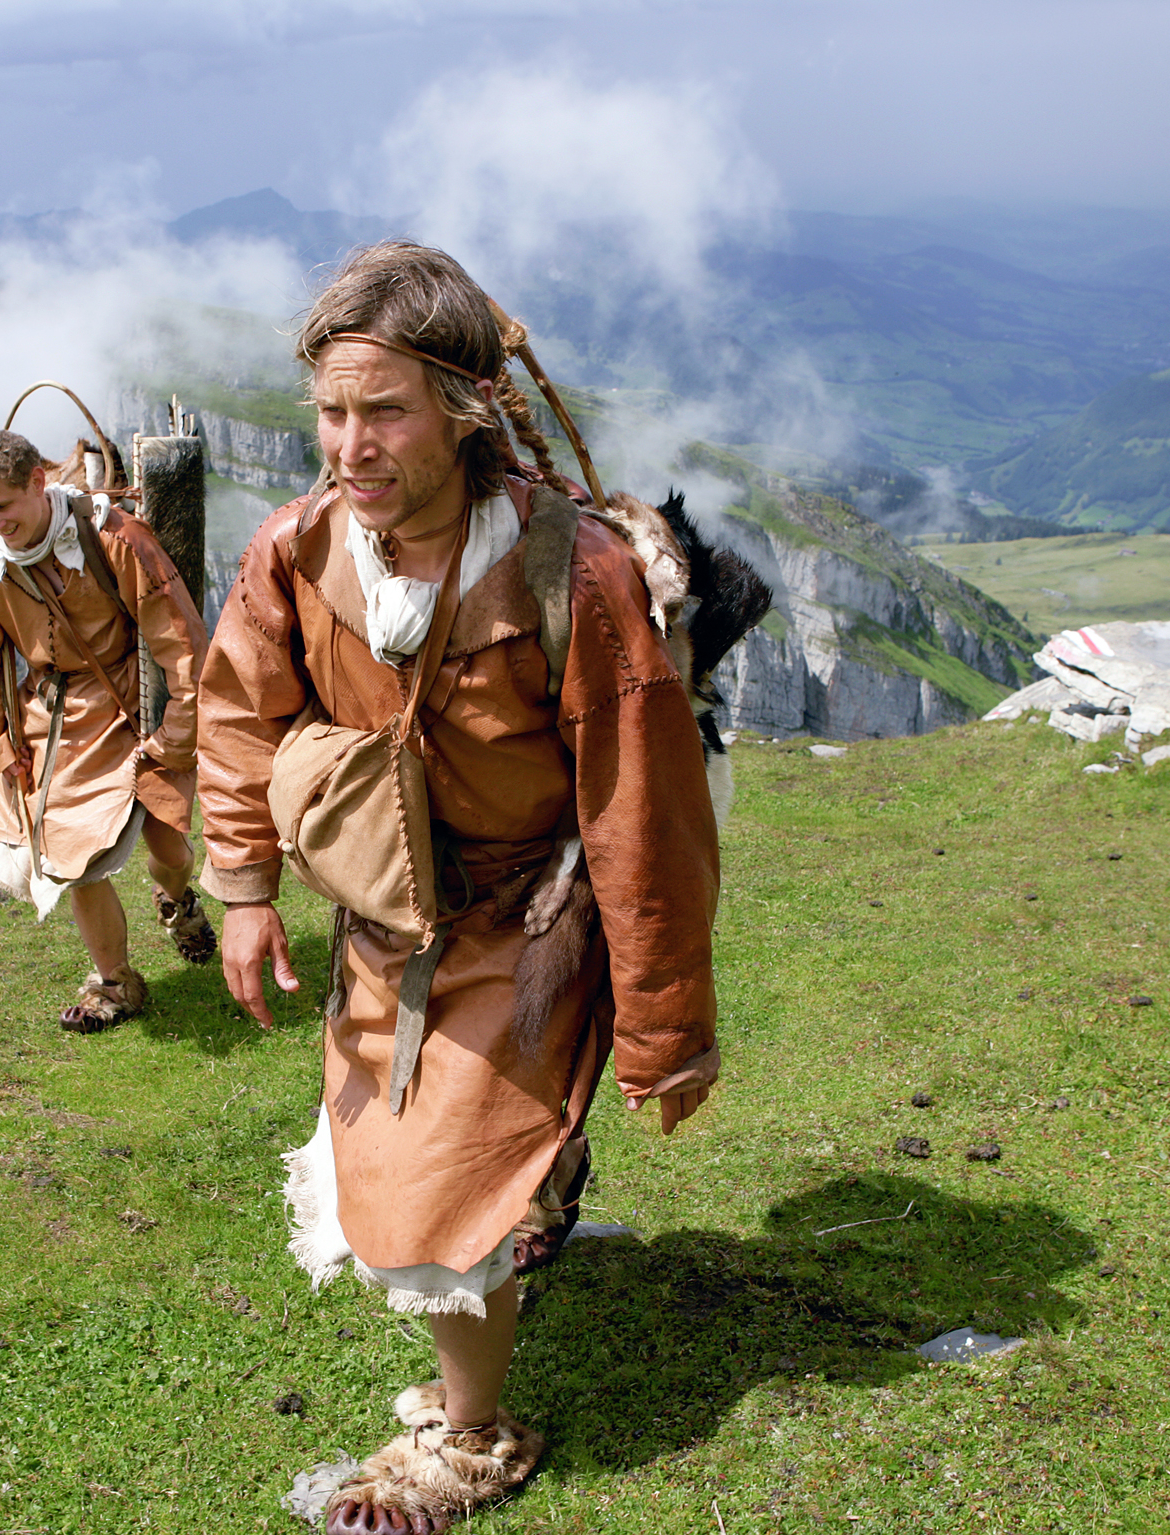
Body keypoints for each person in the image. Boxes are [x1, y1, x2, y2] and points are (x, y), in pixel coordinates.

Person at [195, 243, 723, 1532]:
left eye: (383, 411)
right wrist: (245, 889)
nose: (350, 445)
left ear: (464, 408)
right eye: (331, 411)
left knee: (445, 1182)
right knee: (388, 1154)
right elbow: (239, 711)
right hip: (380, 918)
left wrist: (664, 1025)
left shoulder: (571, 575)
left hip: (530, 919)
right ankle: (527, 1205)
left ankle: (472, 1434)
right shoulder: (297, 549)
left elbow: (642, 815)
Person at [0, 429, 214, 1030]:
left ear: (38, 483)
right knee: (74, 858)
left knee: (170, 850)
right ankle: (115, 984)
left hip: (134, 702)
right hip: (54, 720)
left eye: (3, 506)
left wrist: (178, 730)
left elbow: (178, 637)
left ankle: (176, 898)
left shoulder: (112, 536)